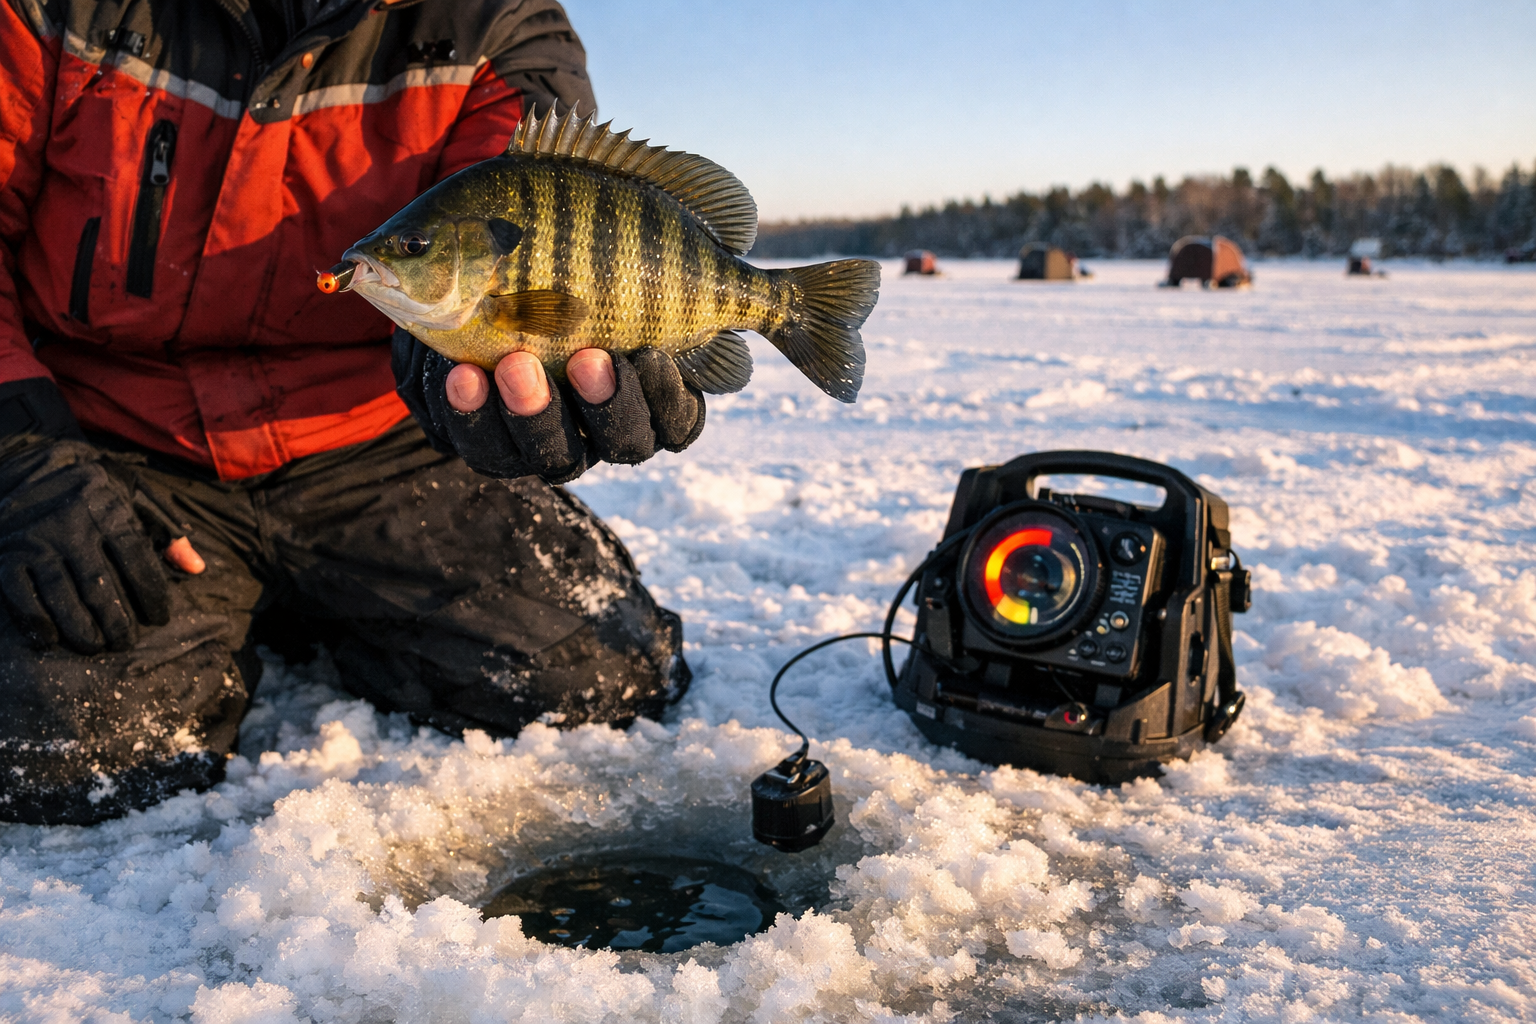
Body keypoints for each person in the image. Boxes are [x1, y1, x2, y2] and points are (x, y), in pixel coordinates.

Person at [0, 0, 701, 825]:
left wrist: (464, 387)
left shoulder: (500, 26)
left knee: (599, 677)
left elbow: (513, 225)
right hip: (113, 443)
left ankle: (298, 606)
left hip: (374, 440)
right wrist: (24, 455)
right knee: (60, 752)